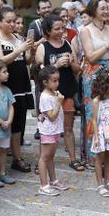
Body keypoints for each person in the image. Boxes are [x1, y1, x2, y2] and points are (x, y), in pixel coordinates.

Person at [0, 7, 39, 174]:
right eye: (7, 21)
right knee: (1, 123)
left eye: (13, 21)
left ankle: (17, 157)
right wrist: (20, 49)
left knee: (19, 125)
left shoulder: (17, 37)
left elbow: (26, 61)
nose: (11, 24)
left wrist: (32, 51)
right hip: (4, 87)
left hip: (21, 84)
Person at [79, 0, 109, 167]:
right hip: (93, 73)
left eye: (108, 8)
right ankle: (92, 156)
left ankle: (107, 153)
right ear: (93, 10)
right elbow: (90, 57)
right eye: (103, 8)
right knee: (93, 114)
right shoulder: (85, 30)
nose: (107, 11)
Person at [34, 13, 81, 170]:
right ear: (48, 31)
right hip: (49, 96)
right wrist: (57, 64)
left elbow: (77, 69)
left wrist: (72, 63)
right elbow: (40, 72)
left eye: (63, 27)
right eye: (57, 28)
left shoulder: (67, 43)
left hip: (66, 91)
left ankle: (73, 159)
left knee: (68, 128)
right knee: (47, 130)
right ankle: (43, 161)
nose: (61, 31)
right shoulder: (43, 47)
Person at [89, 68, 109, 197]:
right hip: (101, 132)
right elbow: (94, 120)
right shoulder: (97, 101)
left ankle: (108, 181)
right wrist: (96, 137)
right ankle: (100, 184)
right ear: (105, 84)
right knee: (100, 157)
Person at [36, 65, 69, 196]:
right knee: (44, 157)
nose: (57, 83)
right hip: (48, 131)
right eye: (54, 81)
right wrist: (58, 102)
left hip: (54, 130)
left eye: (58, 80)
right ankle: (43, 185)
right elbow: (52, 116)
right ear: (45, 82)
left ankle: (53, 181)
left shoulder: (54, 94)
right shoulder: (45, 97)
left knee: (50, 157)